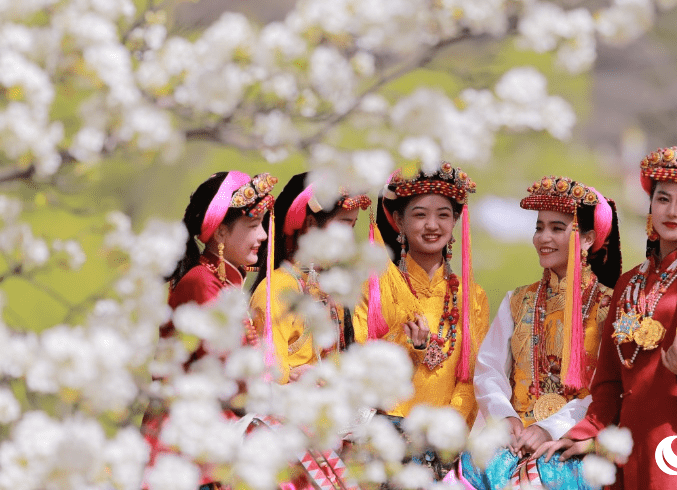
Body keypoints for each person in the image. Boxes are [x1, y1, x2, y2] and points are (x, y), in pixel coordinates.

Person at [543, 147, 677, 490]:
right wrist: (585, 433)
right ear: (650, 205)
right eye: (663, 199)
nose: (672, 211)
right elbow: (609, 382)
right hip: (631, 447)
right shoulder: (628, 282)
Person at [460, 176, 621, 489]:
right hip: (512, 439)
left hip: (572, 444)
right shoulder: (517, 300)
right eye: (539, 227)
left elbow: (608, 390)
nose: (543, 237)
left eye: (557, 228)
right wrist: (505, 418)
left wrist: (551, 428)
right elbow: (489, 370)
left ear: (587, 238)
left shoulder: (610, 307)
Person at [143, 170, 278, 489]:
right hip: (190, 448)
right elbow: (223, 369)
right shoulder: (201, 283)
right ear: (219, 234)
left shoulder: (222, 284)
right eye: (253, 225)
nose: (262, 236)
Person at [359, 163, 489, 475]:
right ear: (398, 221)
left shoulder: (473, 296)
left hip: (444, 451)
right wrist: (409, 348)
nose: (432, 225)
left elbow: (471, 378)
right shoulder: (375, 285)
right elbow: (359, 360)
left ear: (456, 220)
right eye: (419, 214)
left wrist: (448, 430)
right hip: (383, 442)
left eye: (443, 214)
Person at [248, 172, 371, 383]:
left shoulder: (333, 288)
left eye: (353, 226)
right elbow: (268, 375)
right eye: (343, 224)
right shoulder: (279, 289)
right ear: (311, 224)